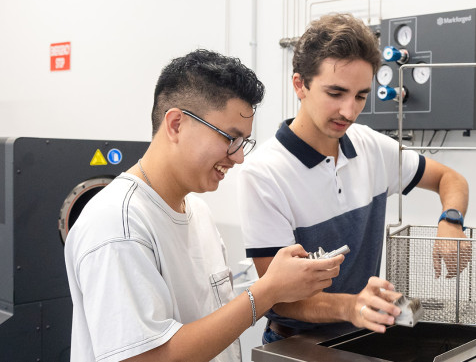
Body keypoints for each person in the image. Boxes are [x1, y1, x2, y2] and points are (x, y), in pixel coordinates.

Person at [64, 49, 344, 362]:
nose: (238, 157)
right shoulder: (118, 223)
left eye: (243, 143)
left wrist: (278, 284)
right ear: (176, 125)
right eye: (230, 138)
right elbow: (143, 357)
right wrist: (268, 291)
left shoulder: (198, 213)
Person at [237, 13, 471, 343]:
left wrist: (451, 220)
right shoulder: (263, 174)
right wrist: (351, 307)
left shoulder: (371, 146)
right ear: (300, 85)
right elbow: (280, 298)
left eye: (361, 95)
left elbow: (450, 179)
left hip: (359, 336)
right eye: (336, 93)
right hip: (296, 346)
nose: (350, 111)